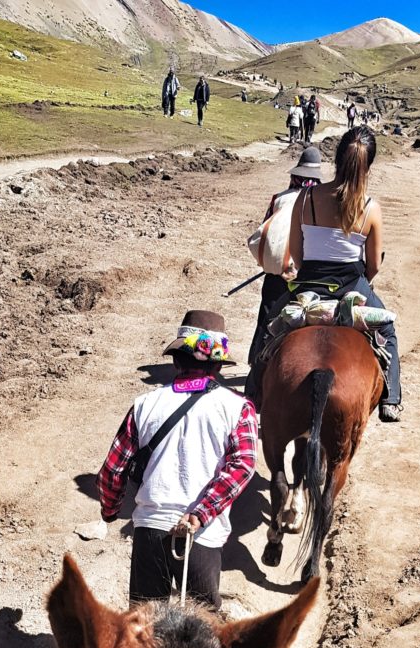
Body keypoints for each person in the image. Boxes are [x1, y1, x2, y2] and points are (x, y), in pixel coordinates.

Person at [98, 311, 257, 611]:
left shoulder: (144, 405)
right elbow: (243, 466)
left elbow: (112, 470)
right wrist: (201, 513)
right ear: (219, 365)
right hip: (201, 536)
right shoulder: (238, 408)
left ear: (175, 360)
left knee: (143, 633)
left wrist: (110, 511)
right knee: (201, 638)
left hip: (149, 532)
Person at [283, 126, 402, 421]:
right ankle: (392, 397)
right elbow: (373, 265)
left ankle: (256, 390)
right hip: (352, 285)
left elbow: (297, 255)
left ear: (335, 160)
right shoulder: (371, 208)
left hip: (308, 284)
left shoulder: (306, 198)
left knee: (271, 328)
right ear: (369, 167)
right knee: (388, 332)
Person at [245, 146, 324, 408]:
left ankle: (254, 384)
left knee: (266, 321)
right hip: (306, 274)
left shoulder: (278, 198)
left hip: (275, 274)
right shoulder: (319, 201)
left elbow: (268, 233)